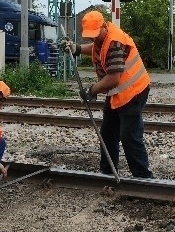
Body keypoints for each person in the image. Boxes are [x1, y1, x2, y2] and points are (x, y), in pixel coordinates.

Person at [61, 10, 153, 178]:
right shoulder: (102, 38)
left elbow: (113, 78)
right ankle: (108, 173)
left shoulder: (115, 42)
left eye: (95, 34)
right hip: (118, 94)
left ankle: (143, 178)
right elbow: (97, 48)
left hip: (133, 91)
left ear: (104, 26)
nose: (93, 38)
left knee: (129, 136)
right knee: (108, 133)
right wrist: (78, 49)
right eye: (90, 36)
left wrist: (91, 90)